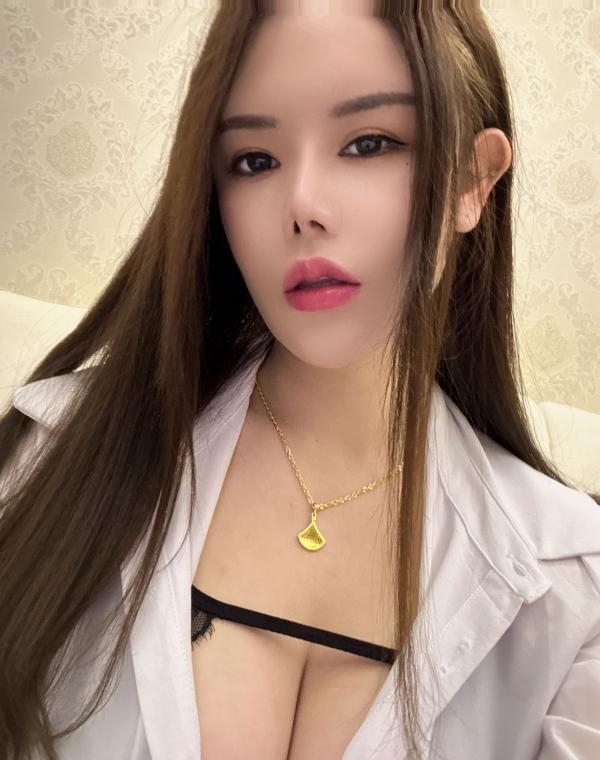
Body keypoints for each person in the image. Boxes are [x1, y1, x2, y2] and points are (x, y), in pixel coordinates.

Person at [1, 2, 599, 759]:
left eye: (369, 143)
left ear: (471, 181)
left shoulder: (571, 588)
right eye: (254, 160)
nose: (304, 207)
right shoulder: (53, 460)